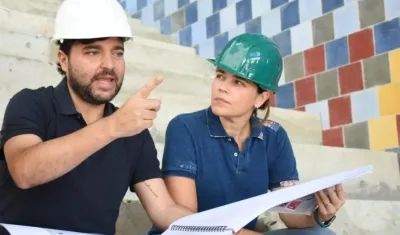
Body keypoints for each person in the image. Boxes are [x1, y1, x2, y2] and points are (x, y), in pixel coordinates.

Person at [0, 0, 194, 234]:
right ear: (64, 60)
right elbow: (25, 171)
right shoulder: (32, 104)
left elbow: (164, 210)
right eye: (93, 52)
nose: (109, 65)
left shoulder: (133, 132)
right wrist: (113, 126)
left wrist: (228, 230)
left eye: (118, 53)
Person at [148, 33, 345, 235]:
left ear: (261, 98)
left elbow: (290, 213)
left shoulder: (273, 136)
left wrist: (320, 215)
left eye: (238, 82)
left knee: (322, 234)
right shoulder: (185, 127)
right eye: (220, 76)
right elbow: (188, 224)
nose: (222, 87)